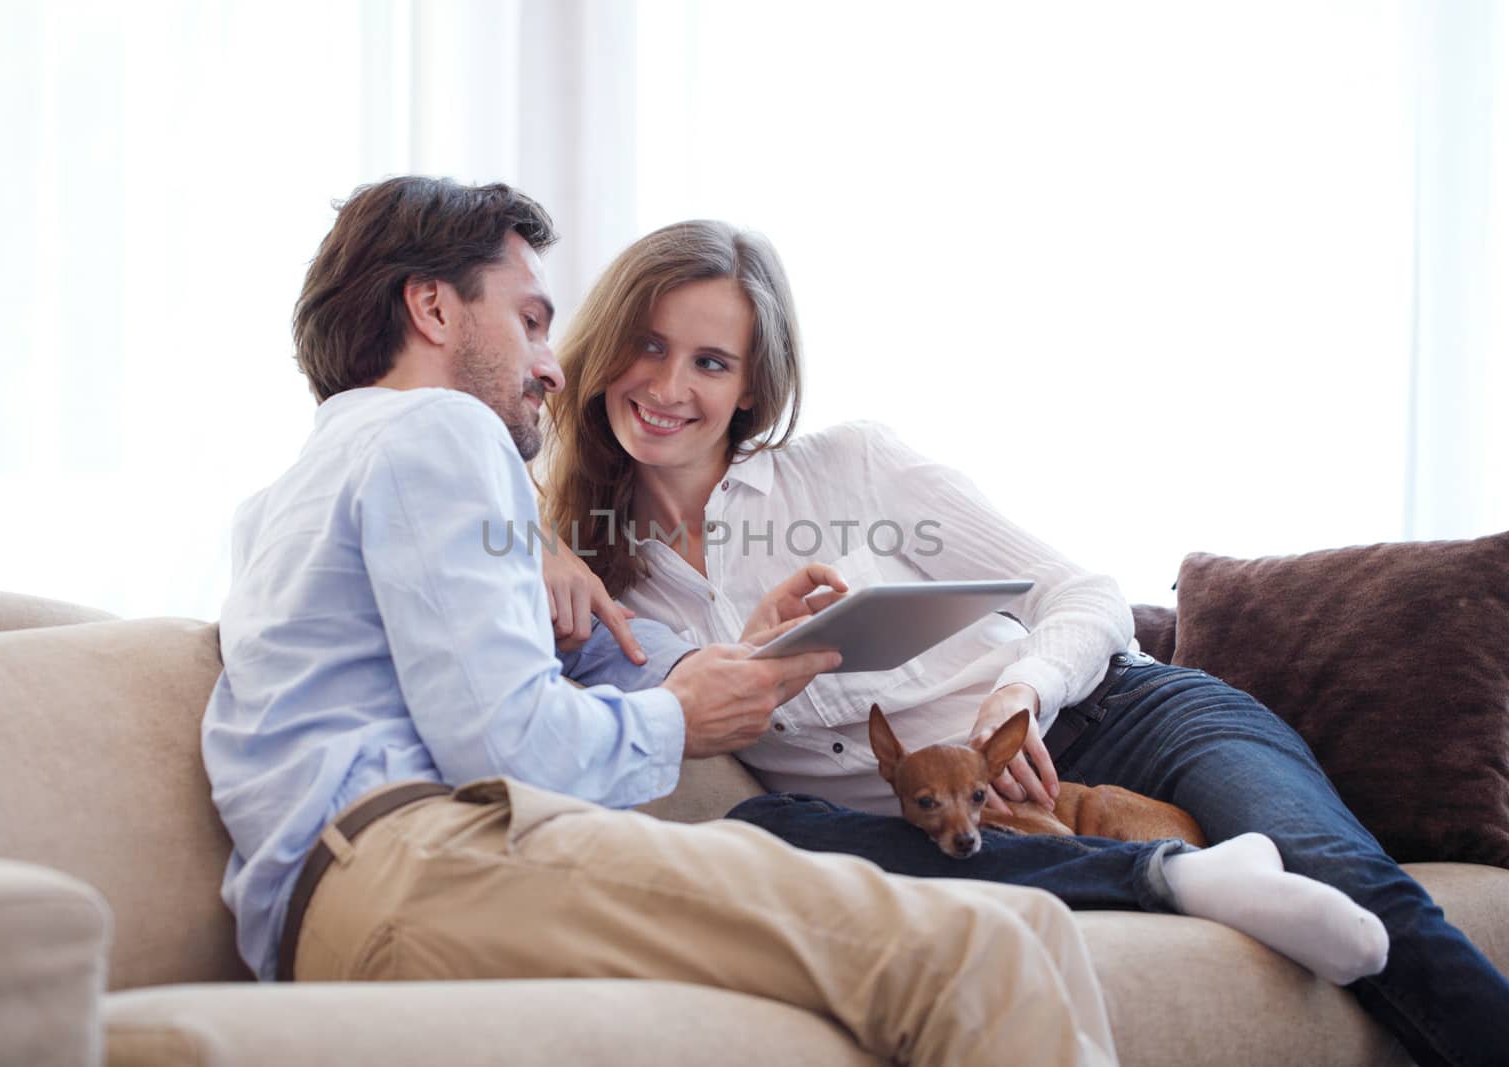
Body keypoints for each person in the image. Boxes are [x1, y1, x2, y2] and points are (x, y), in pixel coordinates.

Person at [200, 176, 1126, 1067]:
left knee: (1030, 925)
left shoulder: (283, 498)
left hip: (338, 900)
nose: (551, 367)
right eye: (528, 320)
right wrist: (679, 717)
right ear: (434, 311)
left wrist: (565, 568)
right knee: (983, 955)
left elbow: (571, 663)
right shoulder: (441, 428)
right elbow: (503, 743)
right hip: (422, 864)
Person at [539, 219, 1509, 1066]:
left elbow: (1077, 590)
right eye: (649, 345)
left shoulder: (852, 465)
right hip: (938, 812)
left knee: (1336, 869)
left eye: (711, 361)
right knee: (766, 834)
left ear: (753, 387)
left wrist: (1024, 695)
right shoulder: (599, 572)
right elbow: (672, 710)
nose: (669, 385)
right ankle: (1182, 878)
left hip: (1117, 715)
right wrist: (741, 649)